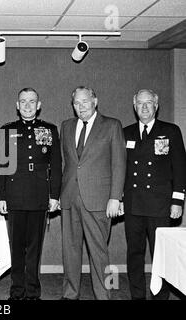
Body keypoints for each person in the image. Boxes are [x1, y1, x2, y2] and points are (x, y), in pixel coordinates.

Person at [59, 86, 126, 300]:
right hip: (70, 197)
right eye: (76, 103)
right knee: (70, 252)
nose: (81, 107)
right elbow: (66, 163)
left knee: (99, 253)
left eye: (85, 102)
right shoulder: (66, 126)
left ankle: (103, 295)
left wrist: (115, 197)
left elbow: (119, 164)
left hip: (98, 200)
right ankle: (70, 294)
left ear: (95, 101)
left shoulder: (112, 125)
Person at [0, 88, 62, 300]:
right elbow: (2, 167)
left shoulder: (50, 129)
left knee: (35, 248)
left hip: (38, 195)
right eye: (23, 101)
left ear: (39, 104)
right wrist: (2, 196)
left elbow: (55, 164)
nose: (27, 105)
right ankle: (17, 292)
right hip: (15, 196)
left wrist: (54, 196)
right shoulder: (7, 130)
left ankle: (33, 293)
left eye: (31, 101)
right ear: (17, 105)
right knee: (16, 248)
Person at [122, 89, 186, 300]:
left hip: (160, 205)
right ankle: (137, 296)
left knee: (162, 256)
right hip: (133, 205)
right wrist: (119, 197)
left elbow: (180, 168)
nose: (145, 107)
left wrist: (177, 201)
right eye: (140, 103)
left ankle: (161, 297)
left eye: (149, 103)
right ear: (134, 105)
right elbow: (120, 169)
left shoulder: (170, 131)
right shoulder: (126, 132)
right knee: (134, 255)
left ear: (156, 105)